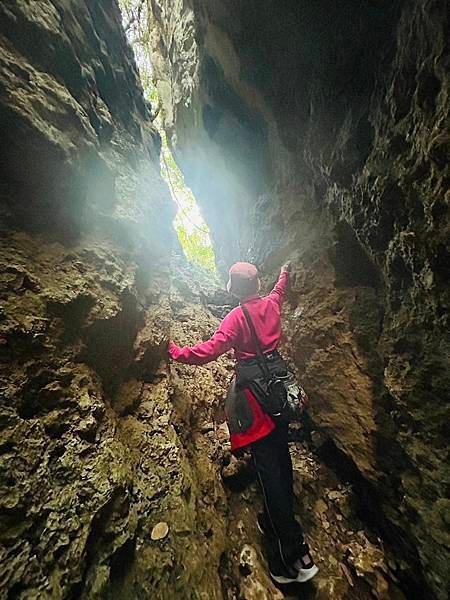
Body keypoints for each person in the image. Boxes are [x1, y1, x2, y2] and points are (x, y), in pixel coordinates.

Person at [168, 261, 318, 585]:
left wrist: (175, 351)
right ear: (258, 284)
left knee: (269, 476)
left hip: (256, 399)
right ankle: (272, 522)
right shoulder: (271, 304)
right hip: (279, 393)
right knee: (283, 459)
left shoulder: (236, 318)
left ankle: (291, 558)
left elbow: (209, 350)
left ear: (233, 290)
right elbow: (279, 291)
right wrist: (285, 273)